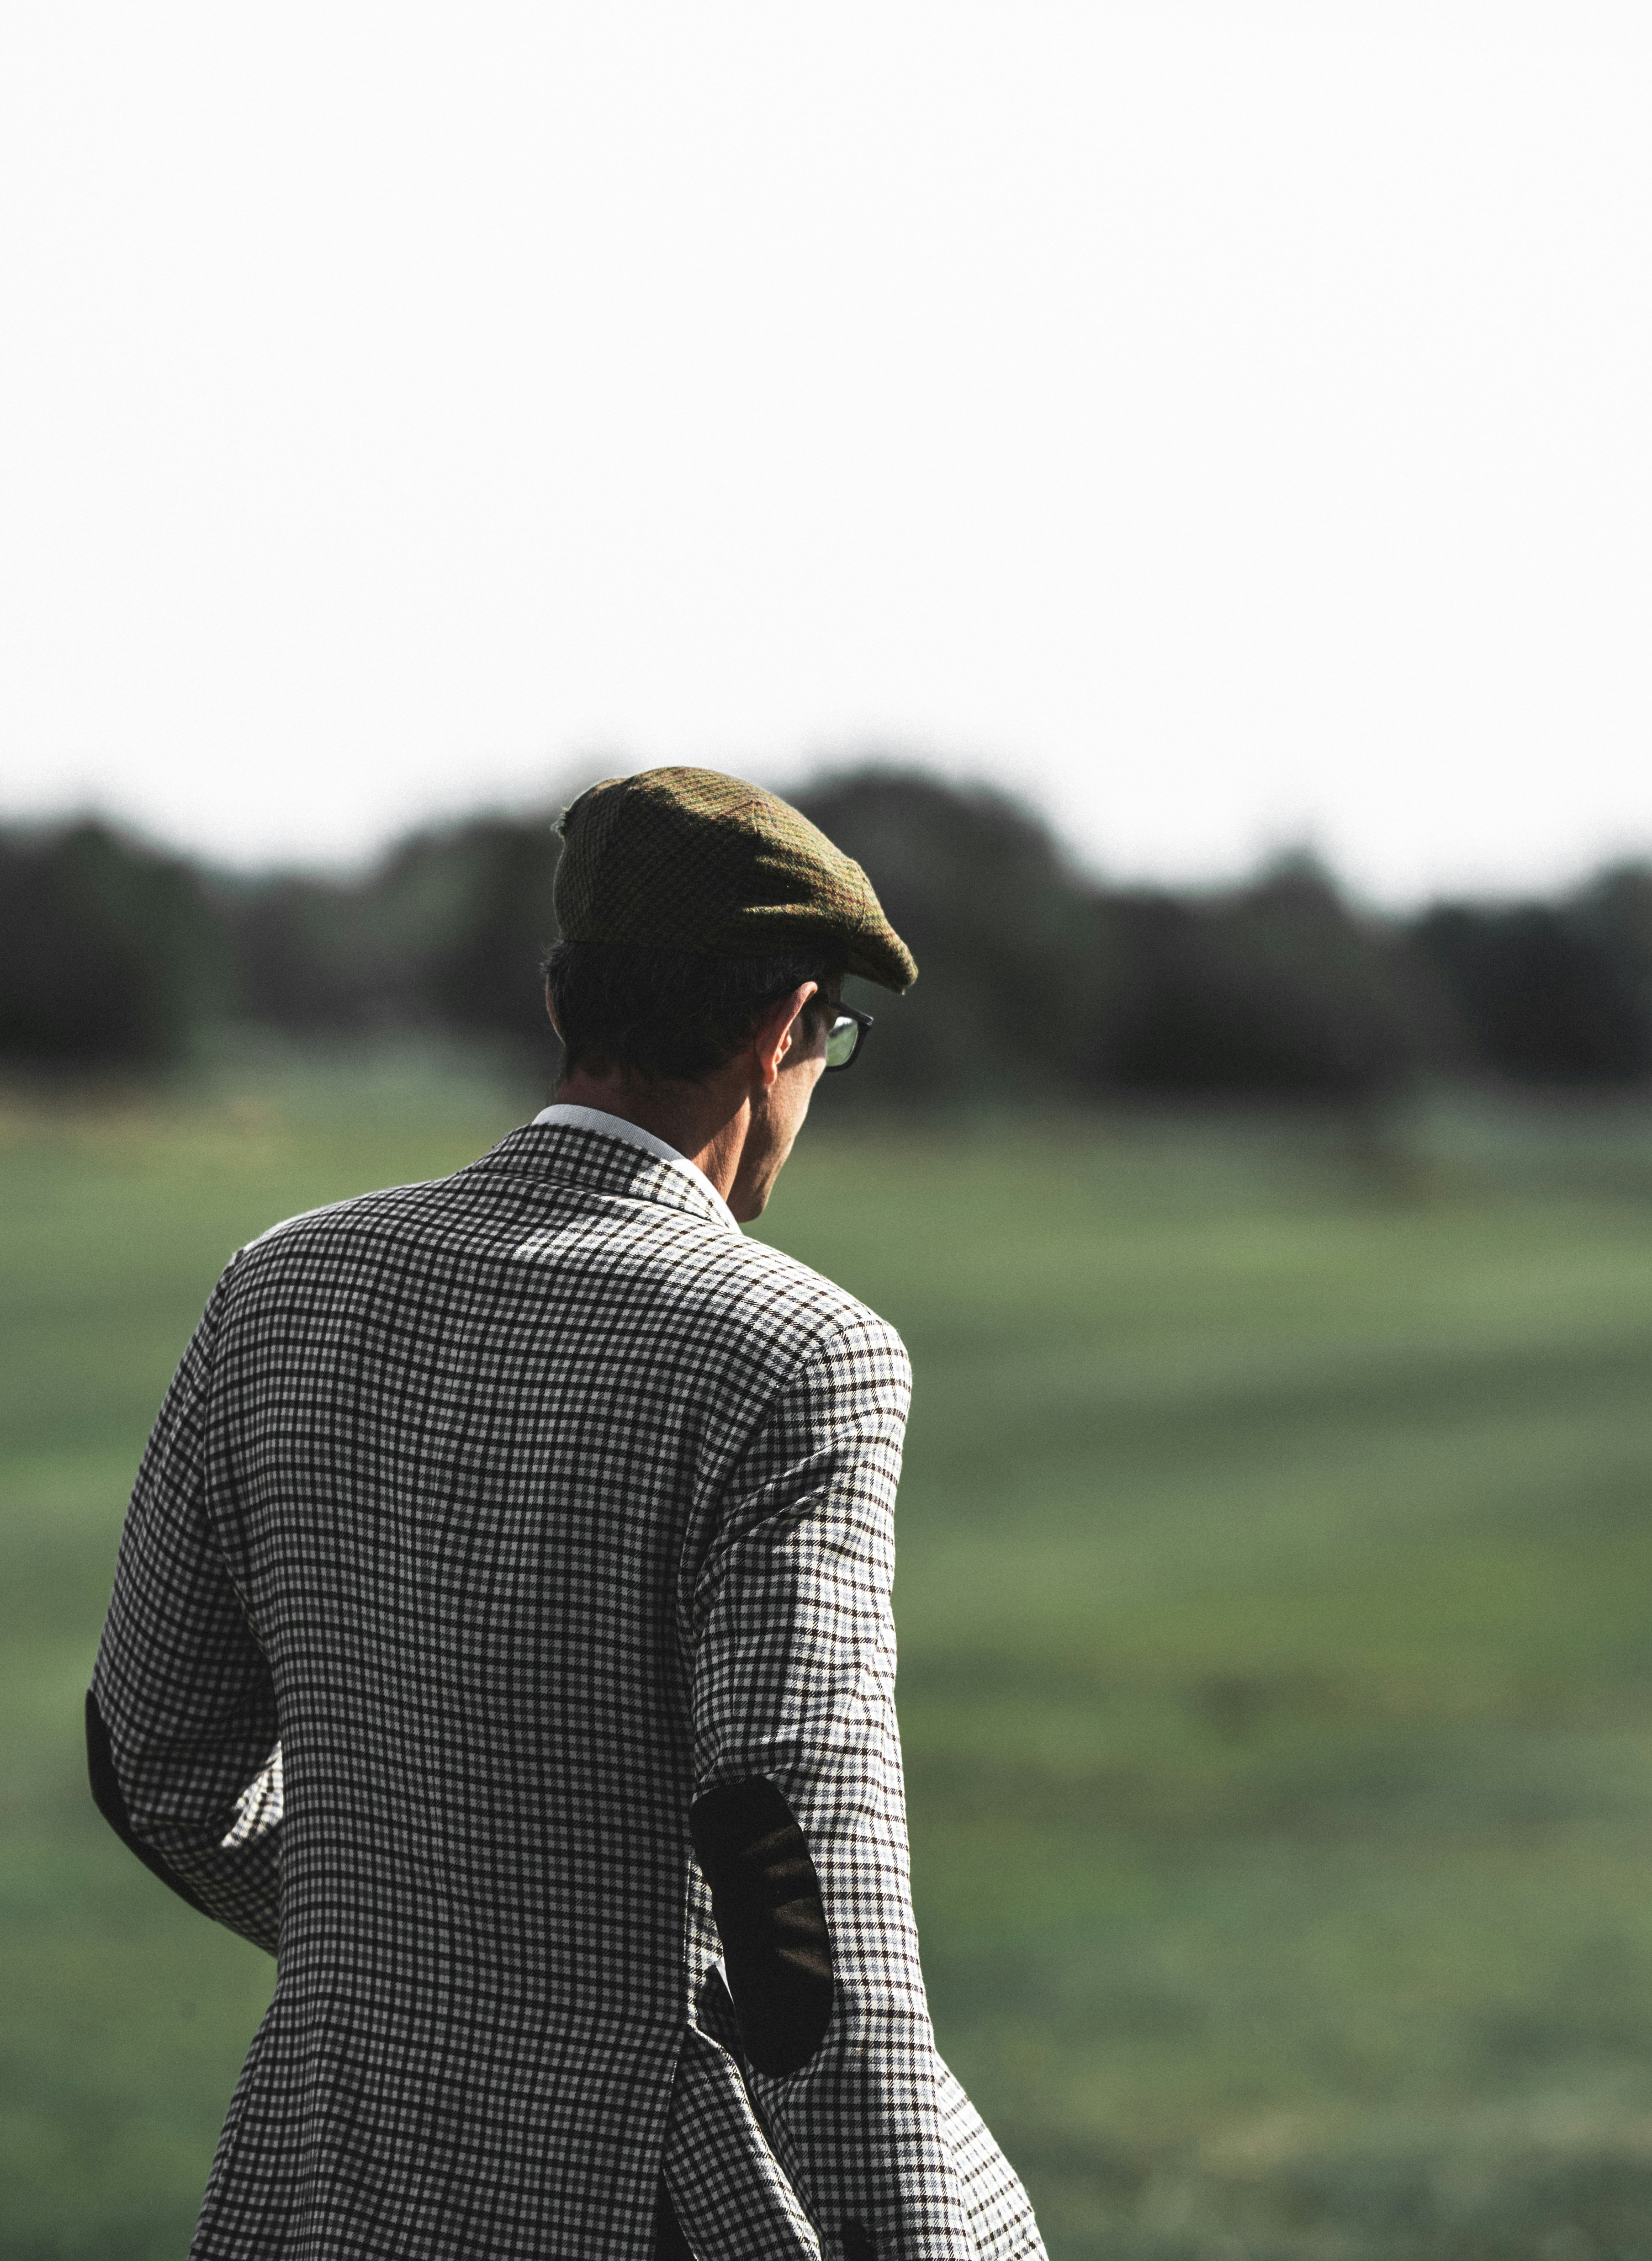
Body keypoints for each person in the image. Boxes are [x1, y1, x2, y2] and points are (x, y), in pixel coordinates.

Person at [88, 766, 1046, 2261]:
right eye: (830, 1041)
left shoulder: (278, 1285)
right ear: (782, 1024)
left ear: (561, 1004)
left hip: (317, 2174)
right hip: (633, 2196)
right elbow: (801, 1890)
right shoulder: (798, 1353)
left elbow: (150, 1764)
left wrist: (423, 1960)